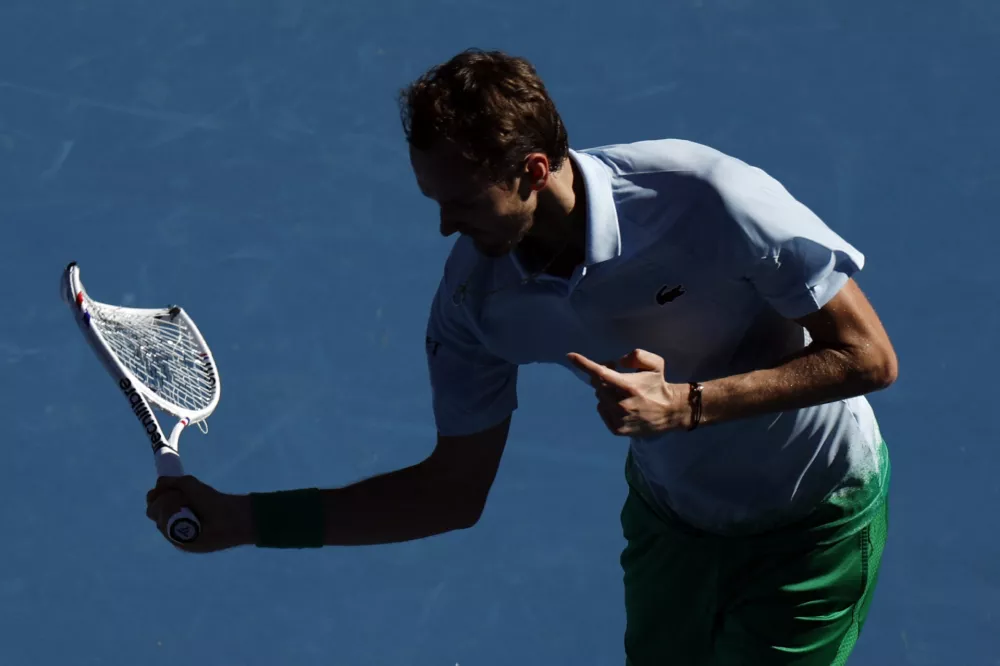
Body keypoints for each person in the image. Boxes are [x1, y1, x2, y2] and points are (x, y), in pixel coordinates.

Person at [147, 48, 898, 665]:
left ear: (532, 171)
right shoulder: (475, 304)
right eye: (435, 202)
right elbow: (449, 493)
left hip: (814, 519)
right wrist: (246, 520)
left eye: (466, 203)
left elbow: (869, 358)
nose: (446, 227)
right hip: (676, 526)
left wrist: (689, 407)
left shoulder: (705, 196)